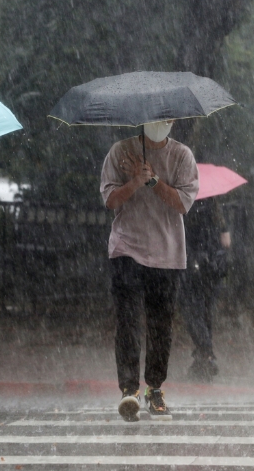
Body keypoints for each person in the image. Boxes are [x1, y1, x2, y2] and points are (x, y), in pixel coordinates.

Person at [100, 120, 198, 422]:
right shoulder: (120, 152)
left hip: (167, 254)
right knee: (127, 322)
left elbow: (182, 203)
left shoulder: (182, 156)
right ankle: (128, 390)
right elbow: (110, 200)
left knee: (161, 326)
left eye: (167, 119)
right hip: (127, 249)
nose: (161, 125)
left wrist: (153, 181)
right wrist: (134, 182)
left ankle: (154, 388)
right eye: (155, 119)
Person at [179, 196, 231, 383]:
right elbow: (226, 242)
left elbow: (185, 237)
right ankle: (203, 356)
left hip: (194, 264)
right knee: (205, 311)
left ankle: (206, 354)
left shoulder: (187, 207)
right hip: (212, 266)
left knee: (193, 311)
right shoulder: (215, 210)